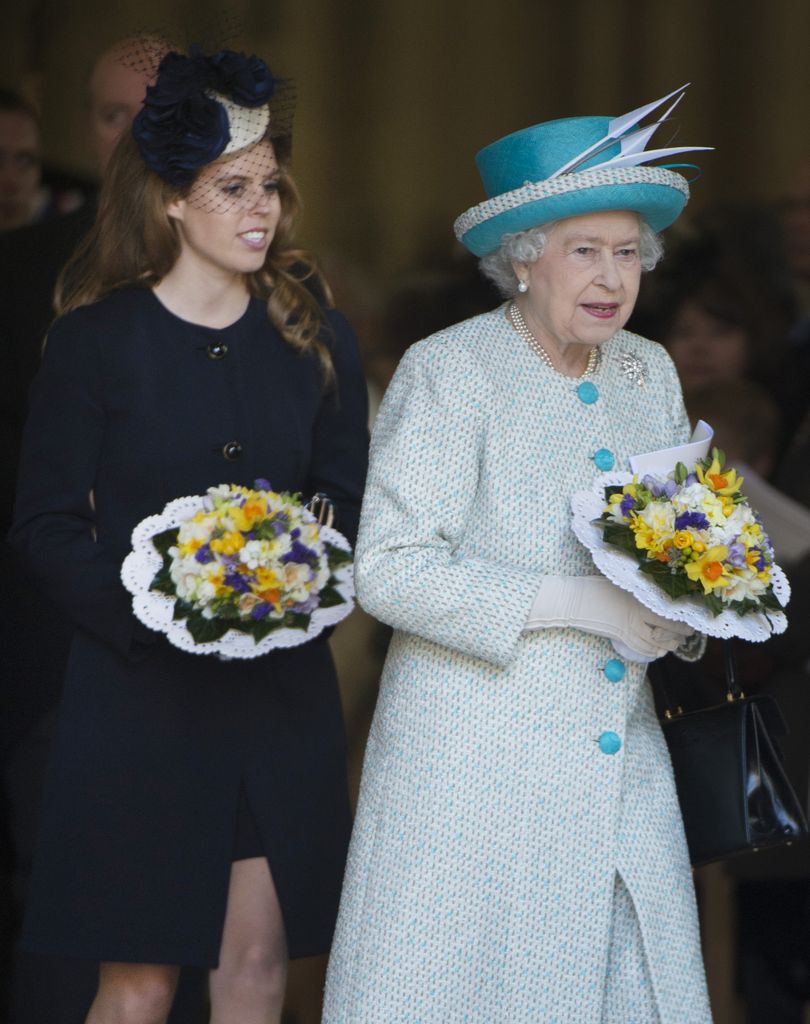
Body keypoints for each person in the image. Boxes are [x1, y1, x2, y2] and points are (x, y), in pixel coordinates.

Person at [323, 91, 713, 1023]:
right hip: (473, 774)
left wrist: (680, 612)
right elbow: (388, 567)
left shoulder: (647, 368)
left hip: (620, 760)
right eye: (585, 250)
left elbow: (677, 543)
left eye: (629, 254)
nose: (612, 277)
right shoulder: (450, 369)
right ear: (523, 260)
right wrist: (580, 605)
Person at [9, 45, 368, 1024]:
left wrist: (293, 561)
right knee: (136, 984)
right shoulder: (95, 340)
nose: (263, 209)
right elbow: (43, 527)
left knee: (253, 967)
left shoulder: (316, 333)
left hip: (277, 698)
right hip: (137, 700)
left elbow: (339, 497)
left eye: (271, 186)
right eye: (232, 187)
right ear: (170, 197)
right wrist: (160, 609)